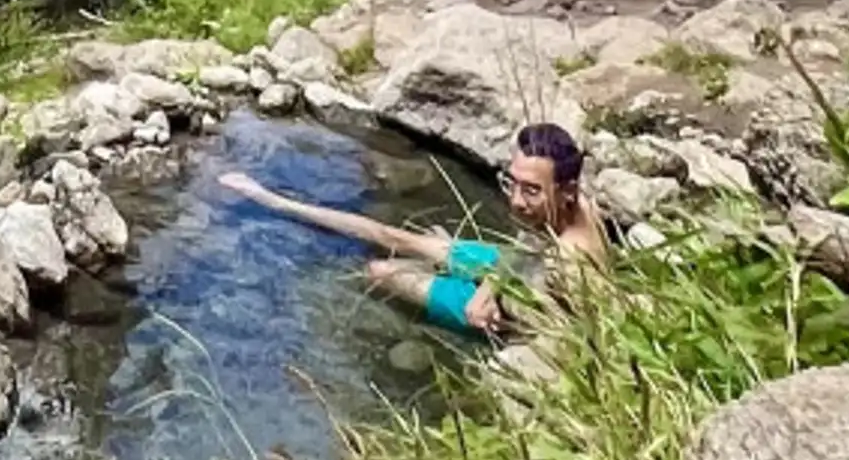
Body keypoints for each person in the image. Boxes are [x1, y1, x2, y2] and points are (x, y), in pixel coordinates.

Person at [220, 124, 613, 339]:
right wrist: (492, 282)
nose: (515, 202)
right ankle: (274, 200)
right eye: (512, 184)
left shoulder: (572, 263)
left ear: (566, 191)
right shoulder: (575, 207)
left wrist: (498, 317)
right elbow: (528, 244)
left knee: (379, 272)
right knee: (394, 237)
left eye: (531, 191)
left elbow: (576, 337)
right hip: (511, 270)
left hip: (512, 304)